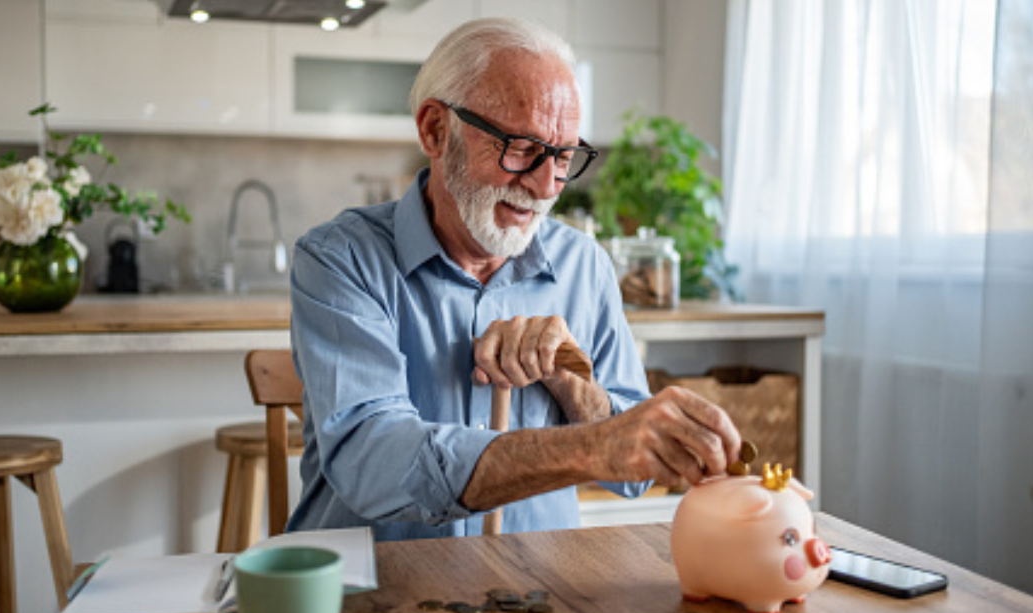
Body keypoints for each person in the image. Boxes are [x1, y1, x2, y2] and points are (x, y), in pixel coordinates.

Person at [288, 17, 741, 541]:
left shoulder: (584, 265)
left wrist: (574, 386)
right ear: (436, 130)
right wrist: (590, 447)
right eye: (522, 149)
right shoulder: (341, 258)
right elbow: (371, 462)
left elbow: (633, 478)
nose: (546, 186)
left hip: (532, 583)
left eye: (564, 157)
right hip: (372, 578)